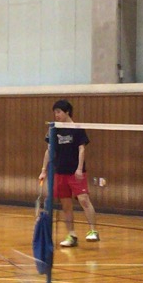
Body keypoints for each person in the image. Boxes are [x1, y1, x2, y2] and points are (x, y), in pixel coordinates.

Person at [38, 99, 99, 248]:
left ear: (67, 112)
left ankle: (93, 230)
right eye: (55, 112)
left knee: (84, 199)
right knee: (66, 205)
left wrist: (79, 168)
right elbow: (49, 150)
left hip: (76, 173)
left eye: (59, 112)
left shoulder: (77, 129)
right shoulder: (54, 129)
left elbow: (82, 149)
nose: (56, 115)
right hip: (60, 173)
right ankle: (71, 235)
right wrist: (43, 170)